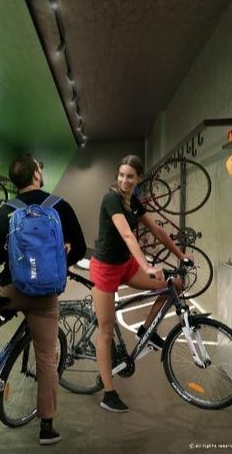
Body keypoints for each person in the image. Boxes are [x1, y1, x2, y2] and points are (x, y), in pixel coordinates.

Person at [0, 153, 86, 445]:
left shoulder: (5, 211)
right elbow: (80, 248)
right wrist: (57, 263)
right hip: (45, 296)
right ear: (36, 175)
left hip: (12, 291)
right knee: (47, 358)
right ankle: (47, 427)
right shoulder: (60, 206)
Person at [90, 154, 186, 413]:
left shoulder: (133, 201)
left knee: (174, 285)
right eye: (121, 175)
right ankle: (108, 393)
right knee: (106, 332)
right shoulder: (111, 199)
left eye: (130, 176)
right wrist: (147, 266)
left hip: (126, 265)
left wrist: (181, 255)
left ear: (138, 178)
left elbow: (157, 230)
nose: (125, 180)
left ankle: (146, 331)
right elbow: (126, 234)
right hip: (106, 269)